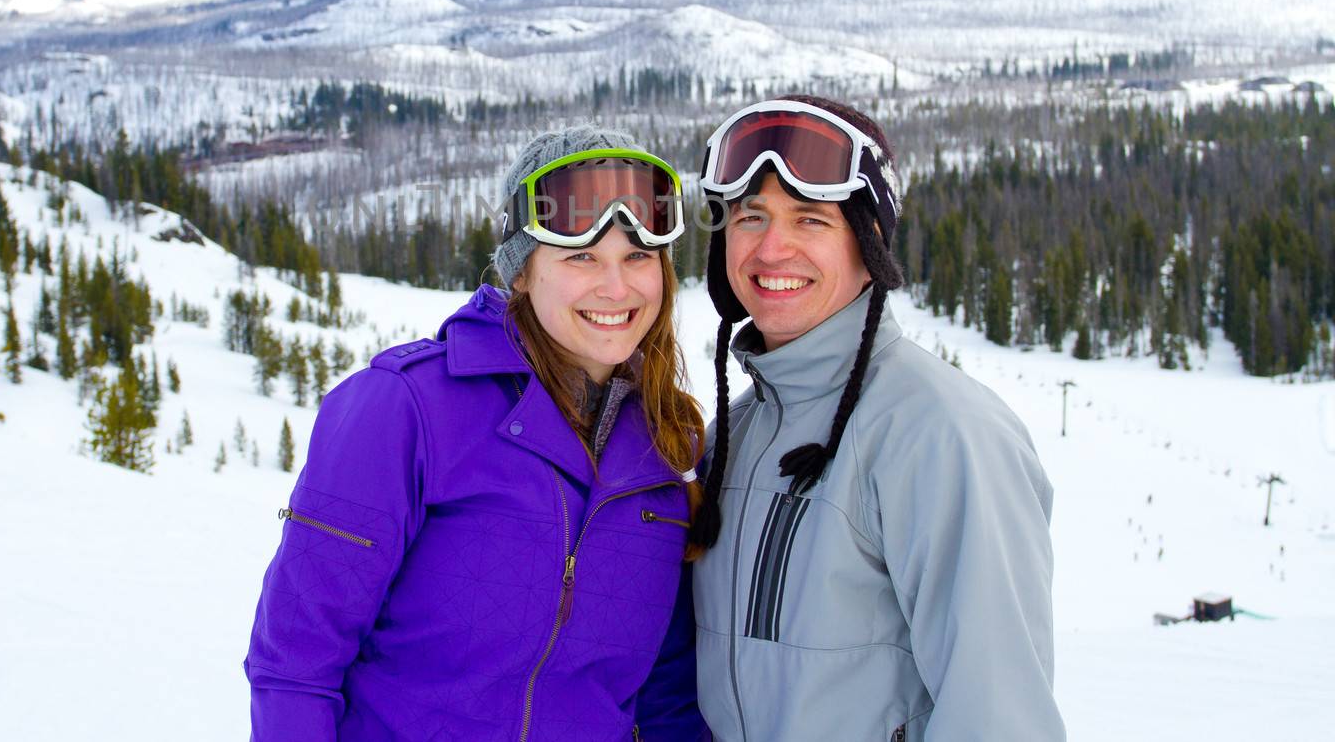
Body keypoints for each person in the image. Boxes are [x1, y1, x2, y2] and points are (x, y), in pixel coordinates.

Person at [244, 126, 709, 741]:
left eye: (637, 258)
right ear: (521, 272)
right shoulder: (405, 409)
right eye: (580, 257)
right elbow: (296, 664)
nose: (616, 288)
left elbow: (667, 691)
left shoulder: (668, 448)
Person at [687, 95, 1064, 741]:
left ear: (869, 244)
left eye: (809, 220)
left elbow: (1000, 717)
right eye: (751, 216)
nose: (771, 248)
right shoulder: (732, 438)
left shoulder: (940, 435)